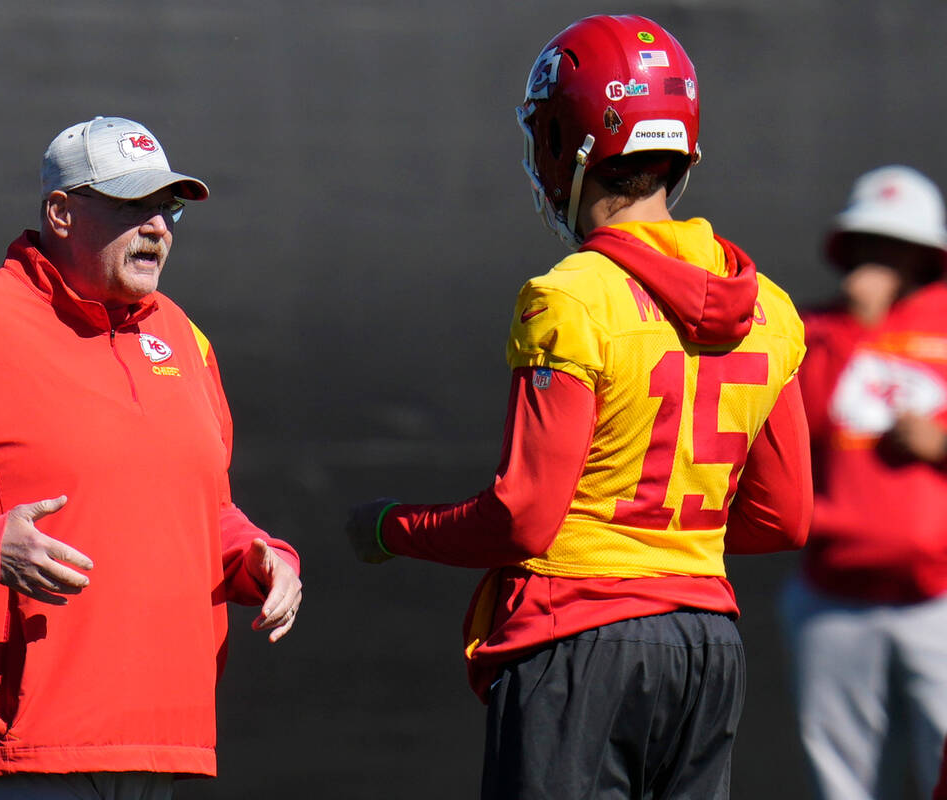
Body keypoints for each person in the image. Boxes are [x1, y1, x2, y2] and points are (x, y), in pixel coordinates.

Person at [345, 15, 811, 799]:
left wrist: (391, 528)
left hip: (581, 642)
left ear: (565, 141)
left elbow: (523, 517)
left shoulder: (568, 297)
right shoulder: (773, 308)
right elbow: (785, 517)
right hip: (707, 646)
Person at [0, 115, 302, 799]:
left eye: (166, 210)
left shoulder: (187, 342)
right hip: (14, 747)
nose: (158, 228)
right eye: (133, 207)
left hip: (163, 740)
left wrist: (259, 555)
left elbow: (200, 510)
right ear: (62, 212)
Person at [780, 164, 947, 800]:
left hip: (938, 596)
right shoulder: (814, 334)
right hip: (833, 596)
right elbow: (794, 435)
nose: (880, 258)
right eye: (869, 243)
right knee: (842, 783)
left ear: (926, 255)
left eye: (897, 245)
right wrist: (858, 334)